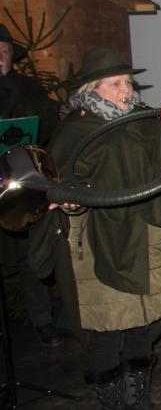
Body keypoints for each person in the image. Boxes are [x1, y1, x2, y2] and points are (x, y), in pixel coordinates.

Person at [30, 46, 161, 408]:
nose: (125, 90)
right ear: (91, 89)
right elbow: (59, 183)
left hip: (145, 237)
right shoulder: (76, 130)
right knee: (105, 330)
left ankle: (139, 399)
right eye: (114, 83)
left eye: (128, 82)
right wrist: (69, 200)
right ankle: (112, 403)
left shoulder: (142, 122)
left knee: (141, 325)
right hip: (99, 245)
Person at [1, 22, 64, 346]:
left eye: (3, 50)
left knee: (30, 257)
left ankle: (43, 320)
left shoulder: (28, 89)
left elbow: (48, 125)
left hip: (22, 186)